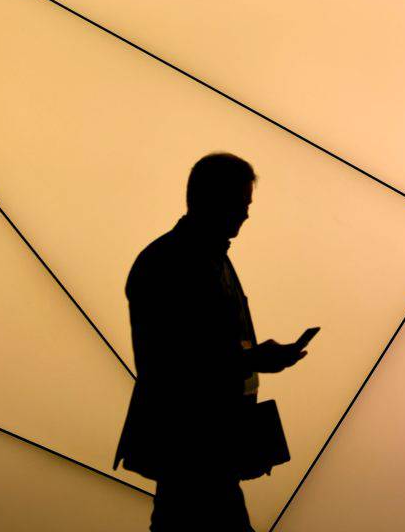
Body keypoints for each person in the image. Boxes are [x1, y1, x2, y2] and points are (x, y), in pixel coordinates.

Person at [114, 153, 310, 531]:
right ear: (213, 199)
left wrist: (254, 358)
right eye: (241, 204)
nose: (246, 215)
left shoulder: (197, 258)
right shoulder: (175, 262)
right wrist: (253, 359)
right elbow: (172, 362)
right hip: (192, 443)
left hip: (201, 446)